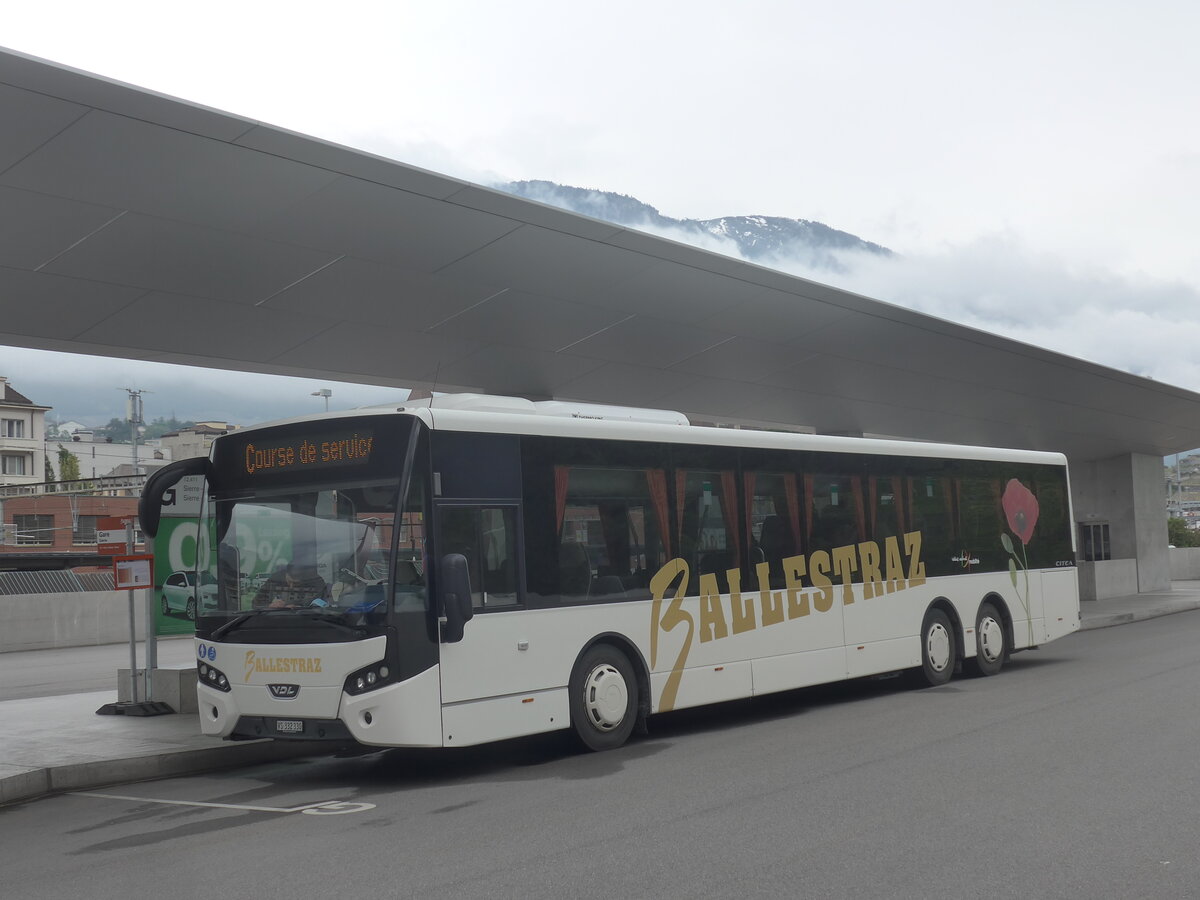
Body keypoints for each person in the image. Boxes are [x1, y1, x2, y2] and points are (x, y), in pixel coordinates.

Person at [253, 563, 328, 609]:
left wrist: (300, 608)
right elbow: (256, 604)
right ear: (286, 573)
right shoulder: (274, 580)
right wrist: (269, 606)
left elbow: (324, 604)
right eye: (289, 581)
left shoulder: (316, 582)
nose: (291, 587)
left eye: (296, 584)